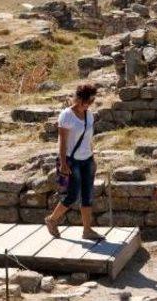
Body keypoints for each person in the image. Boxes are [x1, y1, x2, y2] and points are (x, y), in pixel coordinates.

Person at [44, 84, 104, 241]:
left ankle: (87, 230)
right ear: (79, 98)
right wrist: (63, 163)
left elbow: (88, 138)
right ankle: (52, 219)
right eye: (87, 100)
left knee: (87, 195)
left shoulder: (89, 115)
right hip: (73, 161)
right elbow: (62, 142)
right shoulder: (66, 115)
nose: (89, 104)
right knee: (72, 195)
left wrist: (93, 157)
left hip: (87, 159)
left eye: (92, 101)